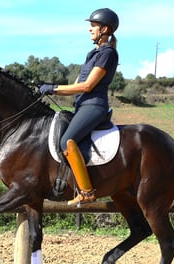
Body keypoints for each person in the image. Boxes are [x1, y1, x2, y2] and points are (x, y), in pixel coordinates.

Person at [39, 8, 119, 206]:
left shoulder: (108, 53)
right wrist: (49, 88)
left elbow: (87, 86)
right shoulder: (93, 53)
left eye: (93, 25)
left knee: (67, 141)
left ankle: (86, 191)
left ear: (105, 29)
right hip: (82, 105)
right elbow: (76, 85)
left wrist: (53, 89)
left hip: (94, 105)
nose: (90, 29)